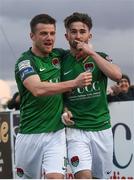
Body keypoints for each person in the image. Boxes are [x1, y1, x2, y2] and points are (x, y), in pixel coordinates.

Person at [14, 14, 92, 179]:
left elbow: (79, 49)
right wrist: (74, 83)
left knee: (55, 177)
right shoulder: (25, 62)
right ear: (32, 36)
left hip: (56, 133)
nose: (49, 38)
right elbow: (37, 89)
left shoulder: (59, 55)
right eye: (43, 33)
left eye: (52, 33)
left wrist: (84, 41)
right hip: (29, 134)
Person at [61, 12, 122, 179]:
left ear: (90, 35)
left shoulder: (100, 57)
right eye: (73, 31)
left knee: (101, 177)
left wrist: (92, 53)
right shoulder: (61, 60)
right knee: (84, 176)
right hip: (76, 130)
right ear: (66, 36)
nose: (78, 35)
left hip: (101, 128)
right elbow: (58, 92)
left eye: (82, 31)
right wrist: (64, 109)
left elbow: (117, 76)